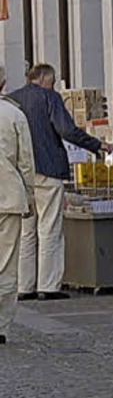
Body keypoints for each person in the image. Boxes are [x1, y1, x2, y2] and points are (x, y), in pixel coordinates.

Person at [11, 62, 108, 300]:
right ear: (46, 79)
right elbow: (67, 130)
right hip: (48, 169)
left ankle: (25, 286)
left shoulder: (12, 100)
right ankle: (48, 285)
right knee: (50, 229)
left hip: (21, 173)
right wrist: (97, 145)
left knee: (27, 231)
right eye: (52, 82)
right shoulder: (50, 98)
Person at [0, 65, 35, 343]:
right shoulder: (14, 115)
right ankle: (1, 325)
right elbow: (26, 162)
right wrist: (30, 197)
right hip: (9, 196)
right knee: (6, 264)